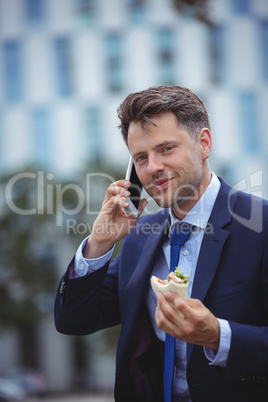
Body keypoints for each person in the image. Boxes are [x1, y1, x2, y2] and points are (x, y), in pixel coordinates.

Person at [54, 85, 268, 402]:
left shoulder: (259, 225)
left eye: (166, 149)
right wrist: (99, 242)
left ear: (204, 143)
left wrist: (219, 336)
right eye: (141, 157)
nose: (152, 167)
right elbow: (74, 320)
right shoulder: (141, 237)